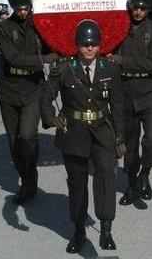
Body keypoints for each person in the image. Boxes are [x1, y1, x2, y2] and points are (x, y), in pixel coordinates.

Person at [41, 20, 126, 254]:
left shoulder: (110, 69)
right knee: (77, 183)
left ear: (99, 46)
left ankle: (106, 228)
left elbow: (117, 105)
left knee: (106, 177)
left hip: (102, 131)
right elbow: (46, 96)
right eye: (85, 44)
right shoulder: (64, 68)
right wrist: (51, 118)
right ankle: (78, 230)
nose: (89, 49)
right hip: (74, 131)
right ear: (77, 45)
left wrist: (120, 138)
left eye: (94, 44)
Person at [0, 0, 53, 205]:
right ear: (10, 6)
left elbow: (55, 44)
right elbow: (13, 59)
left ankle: (30, 177)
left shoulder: (39, 26)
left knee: (27, 136)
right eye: (18, 7)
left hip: (33, 89)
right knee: (14, 143)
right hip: (9, 92)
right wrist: (43, 60)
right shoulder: (5, 30)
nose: (23, 11)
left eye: (26, 7)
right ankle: (25, 177)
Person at [111, 0, 152, 207]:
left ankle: (146, 171)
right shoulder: (119, 28)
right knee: (129, 145)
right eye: (135, 7)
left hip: (148, 93)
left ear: (149, 9)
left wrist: (123, 62)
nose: (138, 12)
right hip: (125, 93)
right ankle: (133, 183)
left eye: (143, 8)